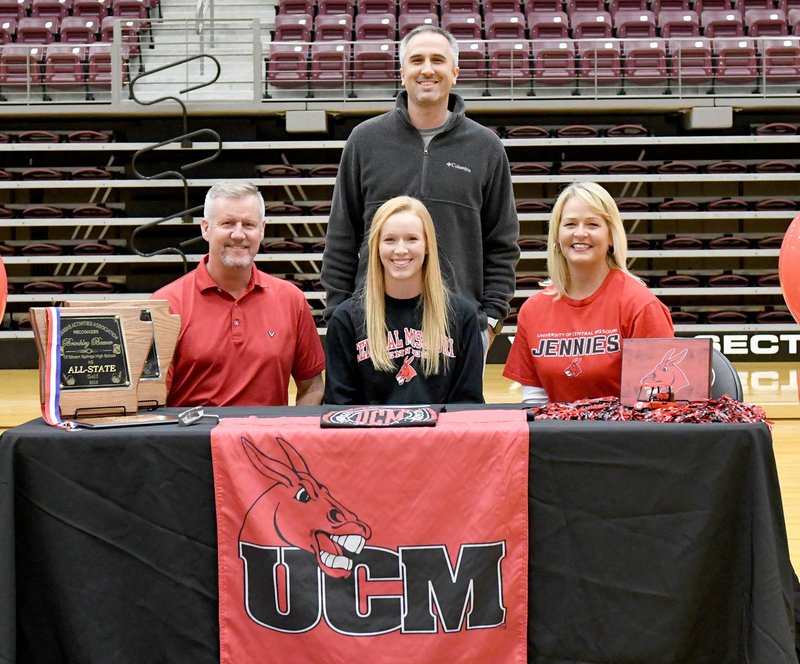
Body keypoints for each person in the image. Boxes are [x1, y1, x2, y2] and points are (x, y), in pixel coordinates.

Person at [320, 25, 519, 352]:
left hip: (457, 328)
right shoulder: (364, 141)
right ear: (402, 73)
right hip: (372, 328)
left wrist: (491, 324)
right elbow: (341, 237)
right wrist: (339, 317)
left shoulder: (486, 147)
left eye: (438, 60)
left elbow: (502, 243)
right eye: (417, 60)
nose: (427, 69)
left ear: (455, 72)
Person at [151, 181, 325, 407]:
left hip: (266, 442)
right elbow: (152, 401)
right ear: (206, 228)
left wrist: (291, 435)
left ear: (262, 230)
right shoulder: (166, 304)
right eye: (227, 223)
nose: (238, 234)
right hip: (196, 441)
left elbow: (312, 386)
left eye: (249, 225)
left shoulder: (292, 300)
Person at [503, 182, 674, 404]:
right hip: (557, 435)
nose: (580, 233)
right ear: (556, 235)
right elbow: (535, 403)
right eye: (570, 224)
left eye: (593, 224)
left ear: (611, 236)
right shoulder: (533, 310)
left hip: (625, 436)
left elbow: (659, 404)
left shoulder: (641, 306)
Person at [324, 196, 484, 405]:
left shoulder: (461, 315)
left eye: (412, 239)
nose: (400, 250)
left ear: (427, 245)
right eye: (390, 240)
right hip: (372, 437)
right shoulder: (347, 319)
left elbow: (468, 406)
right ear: (377, 247)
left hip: (439, 437)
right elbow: (339, 407)